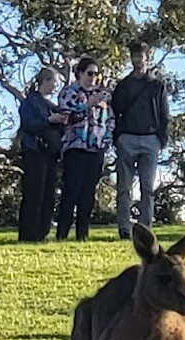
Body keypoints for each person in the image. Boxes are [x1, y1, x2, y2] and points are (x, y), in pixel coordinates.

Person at [111, 41, 170, 240]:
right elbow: (115, 111)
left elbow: (164, 114)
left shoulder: (157, 85)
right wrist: (118, 137)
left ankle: (145, 228)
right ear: (131, 58)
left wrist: (161, 139)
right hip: (127, 137)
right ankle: (124, 228)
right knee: (124, 187)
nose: (138, 59)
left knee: (147, 187)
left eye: (141, 56)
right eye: (135, 55)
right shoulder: (123, 85)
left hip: (150, 138)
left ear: (147, 58)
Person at [56, 57, 115, 242]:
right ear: (80, 73)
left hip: (95, 148)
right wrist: (87, 105)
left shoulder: (104, 95)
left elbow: (109, 118)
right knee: (71, 191)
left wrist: (106, 138)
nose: (94, 77)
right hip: (75, 147)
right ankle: (62, 234)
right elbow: (67, 116)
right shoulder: (69, 92)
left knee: (88, 193)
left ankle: (83, 234)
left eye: (97, 74)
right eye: (90, 73)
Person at [17, 68, 67, 242]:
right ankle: (28, 234)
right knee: (34, 194)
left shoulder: (50, 105)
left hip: (49, 154)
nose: (56, 86)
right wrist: (48, 121)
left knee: (48, 194)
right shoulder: (29, 102)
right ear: (45, 81)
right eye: (54, 81)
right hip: (34, 152)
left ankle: (42, 233)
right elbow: (28, 125)